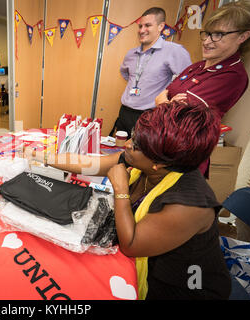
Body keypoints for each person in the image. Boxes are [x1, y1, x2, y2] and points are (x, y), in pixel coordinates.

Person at [26, 101, 231, 300]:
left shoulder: (188, 205)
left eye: (136, 145)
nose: (127, 144)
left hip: (182, 287)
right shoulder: (149, 160)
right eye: (134, 137)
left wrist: (121, 190)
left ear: (158, 163)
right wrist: (39, 156)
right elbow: (88, 164)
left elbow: (132, 245)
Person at [155, 0, 250, 118]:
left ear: (242, 37)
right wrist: (166, 103)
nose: (206, 42)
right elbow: (165, 96)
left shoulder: (233, 75)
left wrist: (161, 103)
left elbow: (182, 116)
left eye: (218, 34)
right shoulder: (198, 66)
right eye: (207, 33)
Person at [111, 7, 191, 138]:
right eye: (140, 26)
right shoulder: (131, 54)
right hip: (125, 113)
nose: (142, 30)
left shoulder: (174, 51)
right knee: (120, 153)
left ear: (161, 26)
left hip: (149, 116)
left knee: (141, 156)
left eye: (148, 25)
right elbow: (127, 75)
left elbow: (186, 83)